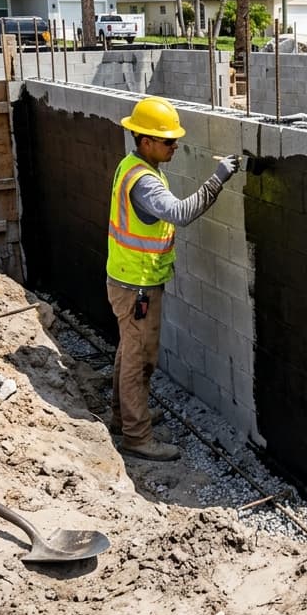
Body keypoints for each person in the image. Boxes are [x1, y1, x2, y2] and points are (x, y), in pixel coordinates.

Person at [107, 96, 240, 462]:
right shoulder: (144, 182)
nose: (175, 145)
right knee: (140, 360)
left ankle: (124, 418)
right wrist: (218, 179)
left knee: (128, 352)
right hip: (136, 286)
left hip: (129, 279)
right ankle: (137, 437)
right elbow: (180, 213)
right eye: (168, 141)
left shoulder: (134, 165)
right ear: (146, 140)